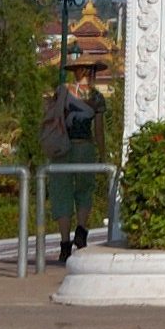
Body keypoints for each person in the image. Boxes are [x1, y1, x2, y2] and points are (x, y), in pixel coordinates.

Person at [41, 68, 104, 263]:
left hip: (62, 148)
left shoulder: (62, 91)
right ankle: (81, 230)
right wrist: (102, 154)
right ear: (90, 73)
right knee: (85, 190)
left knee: (62, 193)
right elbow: (99, 130)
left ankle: (64, 244)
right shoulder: (96, 97)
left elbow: (50, 115)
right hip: (85, 149)